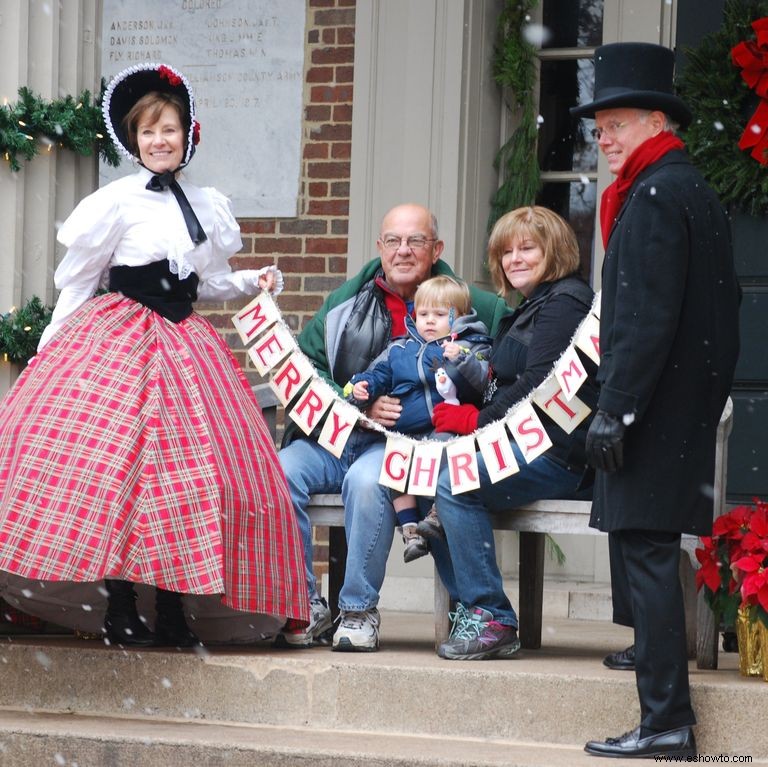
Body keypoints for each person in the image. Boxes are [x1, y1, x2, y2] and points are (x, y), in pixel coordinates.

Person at [0, 62, 309, 648]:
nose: (158, 140)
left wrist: (252, 281)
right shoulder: (115, 202)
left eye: (168, 128)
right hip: (119, 344)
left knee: (183, 480)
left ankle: (170, 609)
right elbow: (79, 284)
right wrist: (48, 352)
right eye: (147, 131)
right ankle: (118, 605)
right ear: (133, 139)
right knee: (118, 474)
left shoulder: (207, 205)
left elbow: (207, 283)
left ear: (188, 132)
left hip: (185, 348)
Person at [570, 43, 740, 759]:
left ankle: (667, 721)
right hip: (675, 405)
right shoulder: (682, 187)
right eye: (598, 127)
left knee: (645, 556)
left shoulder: (656, 193)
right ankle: (661, 712)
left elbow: (645, 316)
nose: (602, 139)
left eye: (613, 124)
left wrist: (617, 406)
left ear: (652, 122)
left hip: (653, 408)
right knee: (650, 554)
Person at [276, 203, 510, 651]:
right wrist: (353, 403)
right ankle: (304, 605)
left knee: (368, 482)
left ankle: (358, 611)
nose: (403, 251)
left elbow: (500, 375)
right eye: (393, 241)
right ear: (380, 247)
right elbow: (308, 367)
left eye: (416, 241)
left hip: (402, 443)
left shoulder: (471, 305)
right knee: (281, 471)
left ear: (436, 248)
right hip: (336, 433)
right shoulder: (345, 302)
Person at [428, 205, 598, 661]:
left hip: (557, 453)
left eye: (527, 248)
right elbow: (500, 383)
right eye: (506, 251)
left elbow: (538, 385)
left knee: (453, 481)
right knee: (427, 471)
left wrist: (475, 424)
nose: (514, 259)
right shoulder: (531, 306)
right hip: (519, 445)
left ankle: (490, 616)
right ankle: (474, 612)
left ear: (555, 251)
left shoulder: (566, 302)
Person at [345, 275, 492, 562]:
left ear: (458, 317)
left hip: (444, 428)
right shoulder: (401, 349)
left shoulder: (469, 345)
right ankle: (411, 531)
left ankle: (437, 514)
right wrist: (365, 387)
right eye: (423, 314)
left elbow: (482, 382)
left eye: (439, 314)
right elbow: (380, 374)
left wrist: (461, 360)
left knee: (443, 456)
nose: (429, 321)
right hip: (405, 433)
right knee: (394, 469)